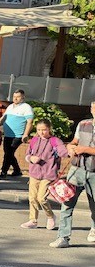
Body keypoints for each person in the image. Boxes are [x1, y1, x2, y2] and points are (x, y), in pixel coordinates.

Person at [49, 102, 95, 248]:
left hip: (94, 172)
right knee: (67, 203)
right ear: (91, 109)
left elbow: (84, 147)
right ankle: (63, 237)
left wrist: (85, 149)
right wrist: (70, 147)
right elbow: (74, 142)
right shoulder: (83, 124)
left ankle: (94, 229)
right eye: (94, 107)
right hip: (77, 169)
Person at [20, 119, 68, 230]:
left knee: (41, 198)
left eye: (44, 130)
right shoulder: (34, 140)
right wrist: (31, 158)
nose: (41, 132)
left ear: (49, 129)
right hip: (34, 173)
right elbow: (27, 154)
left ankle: (51, 216)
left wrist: (70, 152)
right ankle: (33, 220)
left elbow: (62, 152)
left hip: (48, 174)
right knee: (32, 198)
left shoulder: (55, 141)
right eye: (39, 130)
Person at [0, 89, 34, 179]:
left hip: (18, 135)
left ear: (23, 97)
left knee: (8, 153)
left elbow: (29, 122)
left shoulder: (26, 107)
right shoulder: (10, 107)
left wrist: (25, 134)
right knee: (8, 153)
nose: (15, 99)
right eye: (14, 97)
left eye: (18, 97)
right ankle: (17, 170)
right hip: (8, 135)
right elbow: (3, 119)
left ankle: (3, 172)